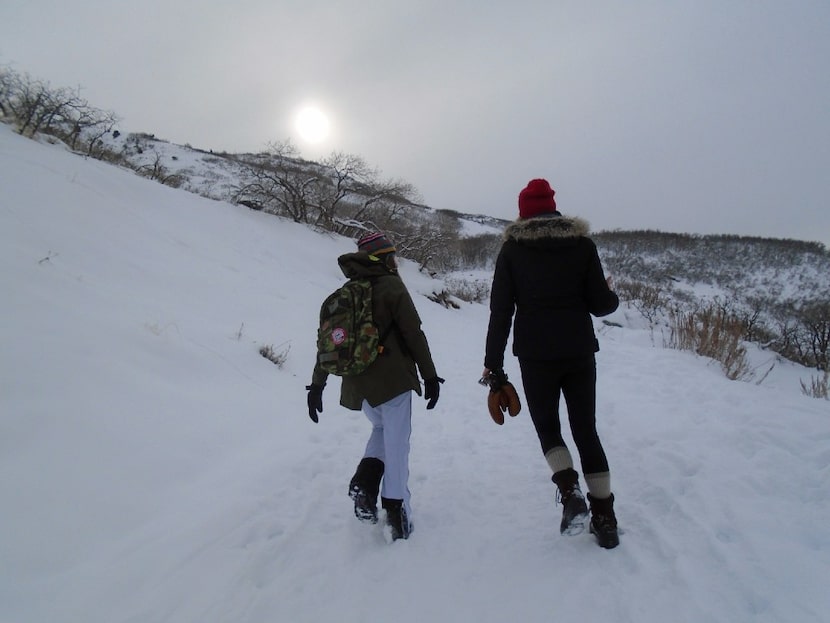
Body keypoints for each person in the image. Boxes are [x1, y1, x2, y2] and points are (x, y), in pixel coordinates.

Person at [482, 179, 621, 548]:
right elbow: (601, 305)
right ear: (553, 207)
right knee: (585, 429)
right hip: (578, 351)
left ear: (524, 211)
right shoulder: (582, 245)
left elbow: (500, 312)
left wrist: (492, 365)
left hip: (535, 355)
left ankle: (570, 491)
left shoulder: (512, 251)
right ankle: (605, 519)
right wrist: (611, 293)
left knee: (548, 426)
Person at [306, 231, 443, 541]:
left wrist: (317, 385)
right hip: (392, 383)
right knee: (397, 446)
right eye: (391, 256)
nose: (395, 261)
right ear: (384, 258)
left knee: (381, 430)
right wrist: (430, 375)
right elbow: (414, 333)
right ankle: (396, 513)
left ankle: (365, 486)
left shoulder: (348, 290)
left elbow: (327, 343)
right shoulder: (391, 286)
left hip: (358, 386)